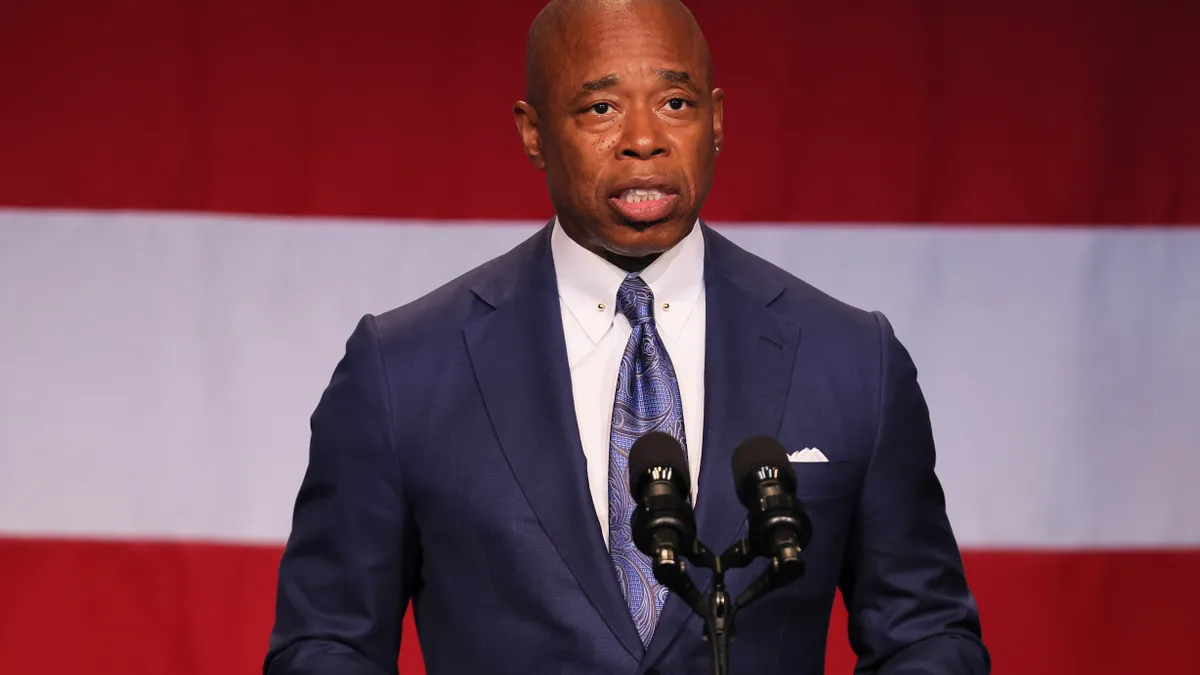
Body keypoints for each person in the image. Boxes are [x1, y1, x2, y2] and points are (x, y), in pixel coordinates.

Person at [263, 0, 990, 672]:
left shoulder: (852, 360)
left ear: (715, 120)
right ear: (533, 131)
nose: (644, 139)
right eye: (601, 107)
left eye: (675, 103)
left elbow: (927, 634)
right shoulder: (402, 371)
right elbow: (326, 643)